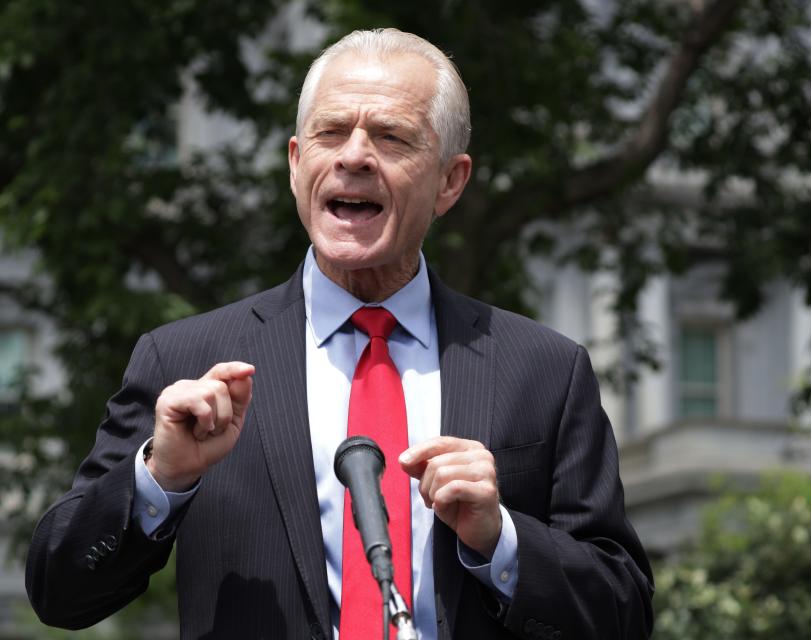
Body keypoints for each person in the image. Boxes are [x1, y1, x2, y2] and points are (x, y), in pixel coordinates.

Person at [26, 28, 654, 640]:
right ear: (298, 164)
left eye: (392, 136)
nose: (353, 155)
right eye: (330, 133)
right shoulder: (184, 361)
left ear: (450, 181)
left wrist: (501, 540)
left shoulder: (544, 369)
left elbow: (624, 612)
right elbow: (60, 592)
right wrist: (159, 479)